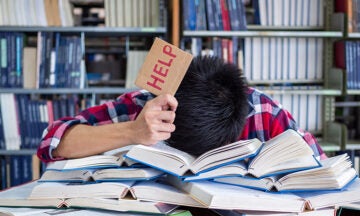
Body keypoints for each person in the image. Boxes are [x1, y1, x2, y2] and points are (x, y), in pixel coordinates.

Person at [37, 56, 326, 163]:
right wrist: (132, 131)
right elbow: (52, 141)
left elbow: (322, 168)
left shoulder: (263, 113)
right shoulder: (145, 106)